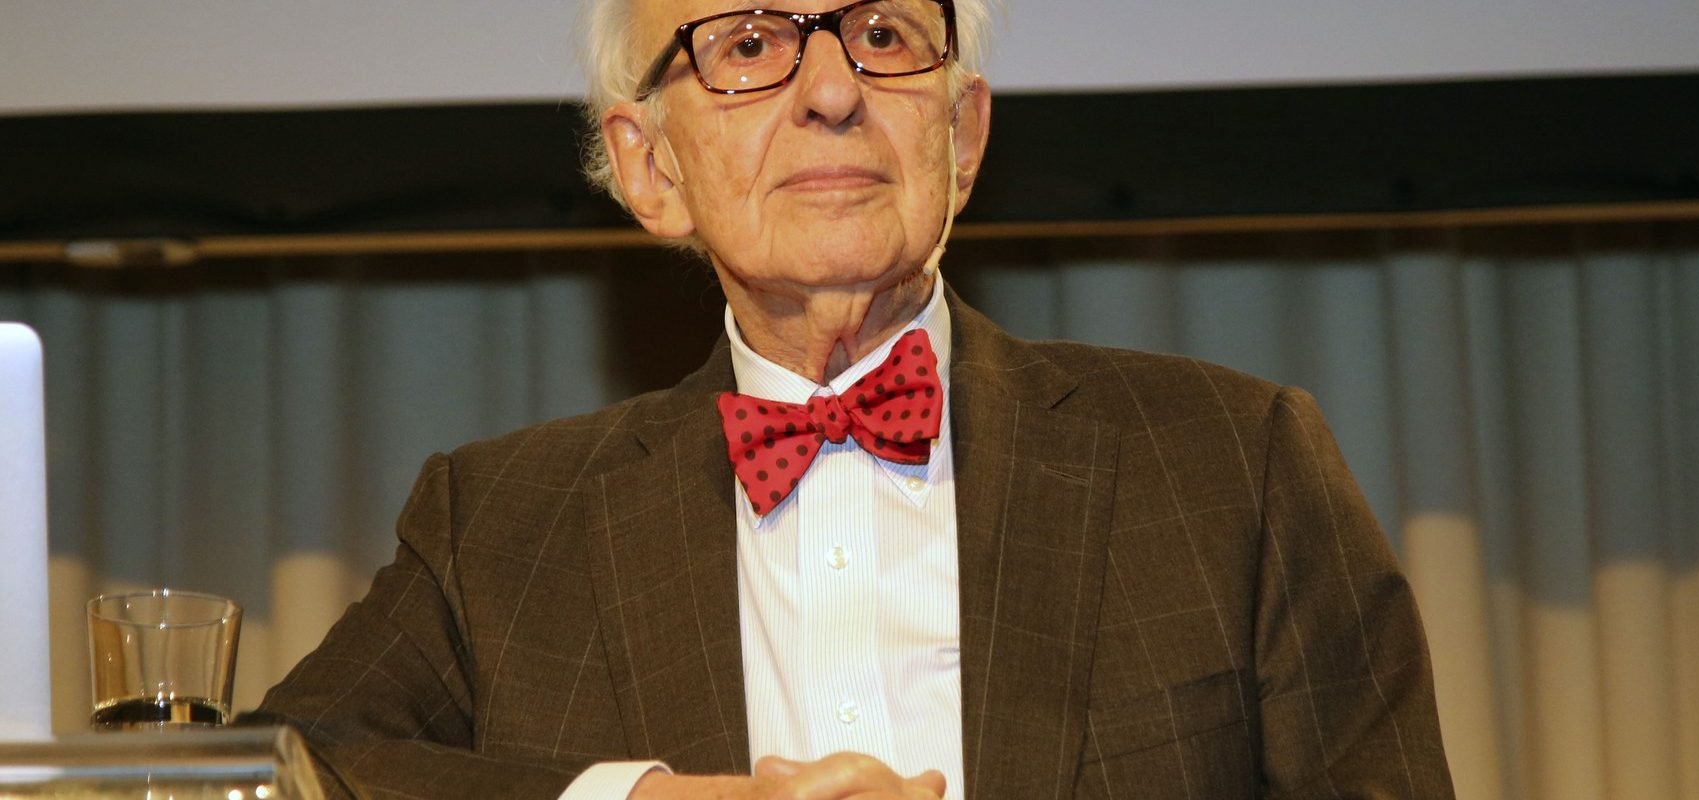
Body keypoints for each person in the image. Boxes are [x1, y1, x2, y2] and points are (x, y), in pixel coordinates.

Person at [250, 0, 1456, 797]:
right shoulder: (498, 524)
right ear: (650, 167)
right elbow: (280, 766)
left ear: (962, 138)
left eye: (883, 34)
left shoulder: (1235, 463)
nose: (832, 91)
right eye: (747, 45)